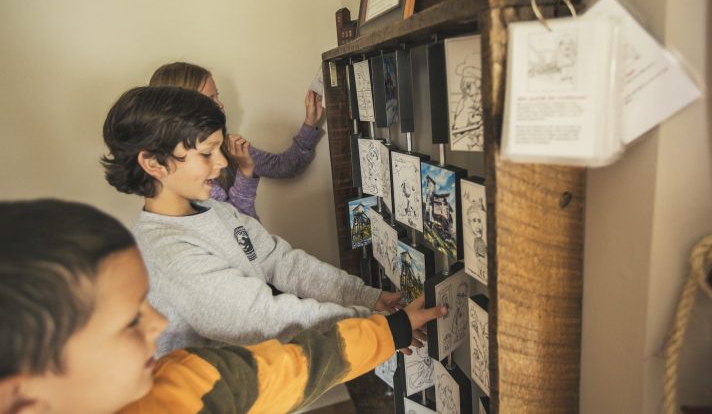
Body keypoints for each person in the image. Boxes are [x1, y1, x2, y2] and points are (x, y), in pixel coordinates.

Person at [0, 199, 445, 413]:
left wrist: (391, 330)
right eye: (129, 321)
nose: (157, 322)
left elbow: (297, 365)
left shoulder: (183, 381)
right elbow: (263, 317)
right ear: (21, 399)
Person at [101, 86, 403, 356]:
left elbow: (280, 261)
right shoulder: (167, 251)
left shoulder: (215, 210)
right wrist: (379, 326)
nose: (221, 163)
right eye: (207, 153)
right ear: (154, 164)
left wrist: (367, 297)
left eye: (219, 149)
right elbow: (263, 319)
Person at [148, 61, 323, 221]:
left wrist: (310, 124)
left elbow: (286, 166)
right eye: (211, 99)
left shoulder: (226, 146)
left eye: (217, 96)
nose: (221, 104)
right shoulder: (180, 176)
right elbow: (237, 228)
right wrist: (246, 173)